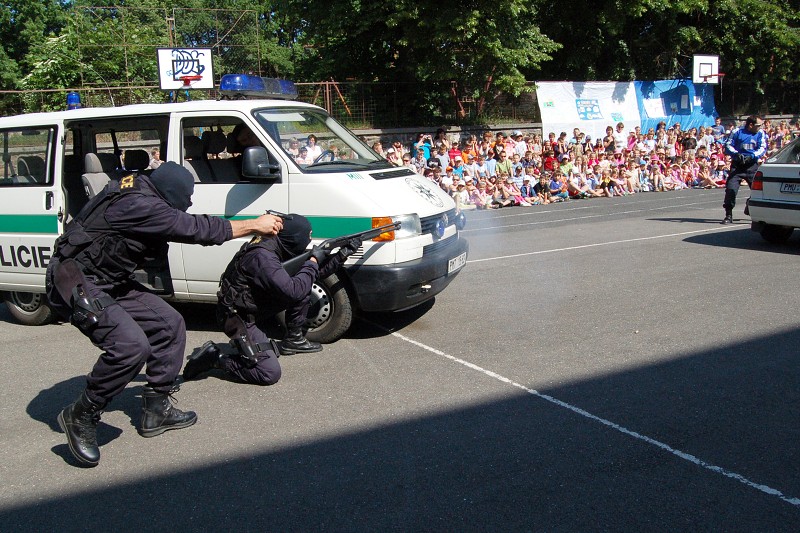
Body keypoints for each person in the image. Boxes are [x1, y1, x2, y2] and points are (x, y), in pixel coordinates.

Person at [46, 162, 283, 467]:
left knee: (169, 325)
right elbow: (196, 229)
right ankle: (80, 414)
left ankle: (155, 410)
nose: (190, 203)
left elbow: (182, 220)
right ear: (171, 194)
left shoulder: (141, 188)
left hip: (109, 278)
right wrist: (253, 225)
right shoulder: (140, 204)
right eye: (187, 197)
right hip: (76, 278)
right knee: (130, 347)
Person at [183, 214, 360, 385]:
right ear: (294, 239)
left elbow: (310, 278)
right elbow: (294, 291)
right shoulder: (263, 257)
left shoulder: (277, 245)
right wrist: (313, 261)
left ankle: (294, 340)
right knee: (268, 373)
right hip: (237, 317)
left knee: (303, 286)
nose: (308, 242)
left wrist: (341, 255)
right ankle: (215, 358)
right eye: (306, 238)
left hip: (253, 306)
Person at [722, 115, 766, 224]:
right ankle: (728, 214)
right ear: (750, 125)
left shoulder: (760, 133)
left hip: (752, 166)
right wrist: (736, 154)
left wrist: (753, 156)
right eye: (758, 125)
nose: (760, 127)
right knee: (731, 189)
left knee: (759, 191)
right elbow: (728, 145)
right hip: (737, 166)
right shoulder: (737, 132)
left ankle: (752, 206)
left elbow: (763, 148)